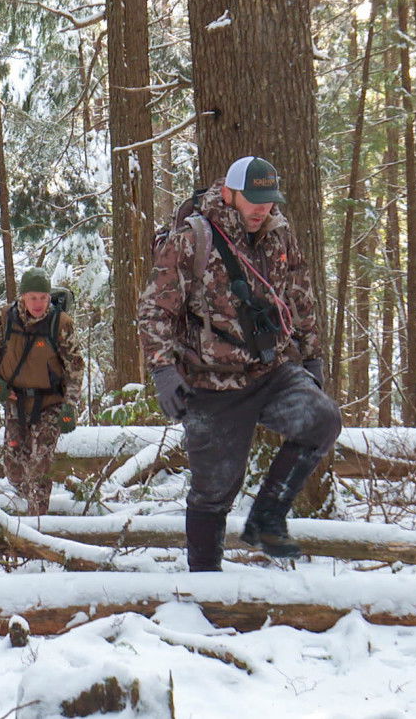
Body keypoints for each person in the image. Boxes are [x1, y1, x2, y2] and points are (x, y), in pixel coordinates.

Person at [137, 156, 342, 571]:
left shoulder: (280, 235)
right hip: (211, 386)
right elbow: (154, 311)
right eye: (252, 200)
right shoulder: (192, 239)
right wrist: (163, 370)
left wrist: (313, 355)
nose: (260, 209)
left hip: (272, 370)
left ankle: (267, 518)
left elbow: (300, 297)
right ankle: (205, 583)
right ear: (229, 193)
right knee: (213, 493)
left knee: (322, 421)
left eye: (267, 201)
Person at [0, 268, 84, 515]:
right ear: (22, 297)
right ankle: (21, 500)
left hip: (49, 403)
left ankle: (36, 525)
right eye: (33, 298)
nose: (38, 304)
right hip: (15, 401)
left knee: (39, 466)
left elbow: (75, 366)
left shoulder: (60, 324)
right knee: (13, 466)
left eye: (43, 298)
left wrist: (70, 405)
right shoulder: (4, 318)